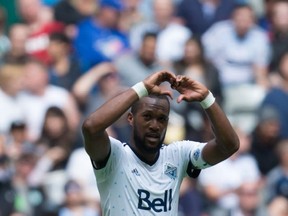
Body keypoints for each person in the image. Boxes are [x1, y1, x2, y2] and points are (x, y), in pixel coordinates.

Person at [82, 70, 239, 215]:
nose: (155, 126)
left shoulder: (178, 155)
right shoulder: (114, 155)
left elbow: (229, 145)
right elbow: (91, 128)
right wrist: (141, 88)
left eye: (162, 119)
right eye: (147, 117)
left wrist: (206, 98)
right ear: (131, 118)